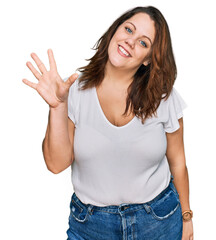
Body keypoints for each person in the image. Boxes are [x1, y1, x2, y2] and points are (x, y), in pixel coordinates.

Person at [22, 5, 194, 240]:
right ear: (115, 30)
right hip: (90, 226)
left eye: (143, 43)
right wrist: (57, 107)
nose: (130, 42)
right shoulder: (73, 90)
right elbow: (56, 164)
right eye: (128, 29)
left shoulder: (164, 98)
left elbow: (178, 162)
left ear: (148, 60)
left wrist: (187, 217)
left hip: (158, 222)